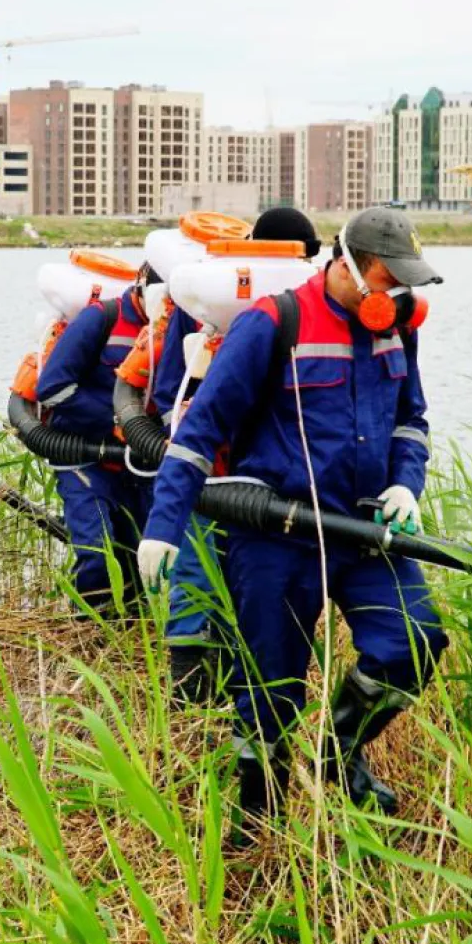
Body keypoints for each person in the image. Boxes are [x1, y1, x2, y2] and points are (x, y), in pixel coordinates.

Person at [138, 206, 448, 821]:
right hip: (276, 536)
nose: (396, 294)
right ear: (350, 264)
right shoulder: (274, 323)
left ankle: (340, 753)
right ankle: (258, 823)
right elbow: (200, 431)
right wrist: (163, 527)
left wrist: (407, 486)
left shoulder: (396, 330)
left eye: (406, 282)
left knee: (413, 640)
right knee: (269, 689)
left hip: (364, 533)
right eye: (390, 278)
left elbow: (411, 422)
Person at [152, 208, 323, 703]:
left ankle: (231, 691)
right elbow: (172, 390)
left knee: (242, 585)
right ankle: (188, 695)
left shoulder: (295, 309)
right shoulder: (212, 298)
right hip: (210, 473)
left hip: (264, 488)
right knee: (196, 571)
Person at [35, 264, 166, 609]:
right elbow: (51, 387)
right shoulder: (101, 318)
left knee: (143, 557)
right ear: (141, 285)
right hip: (85, 457)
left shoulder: (172, 326)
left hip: (139, 463)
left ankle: (133, 639)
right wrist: (116, 419)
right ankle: (87, 635)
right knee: (97, 552)